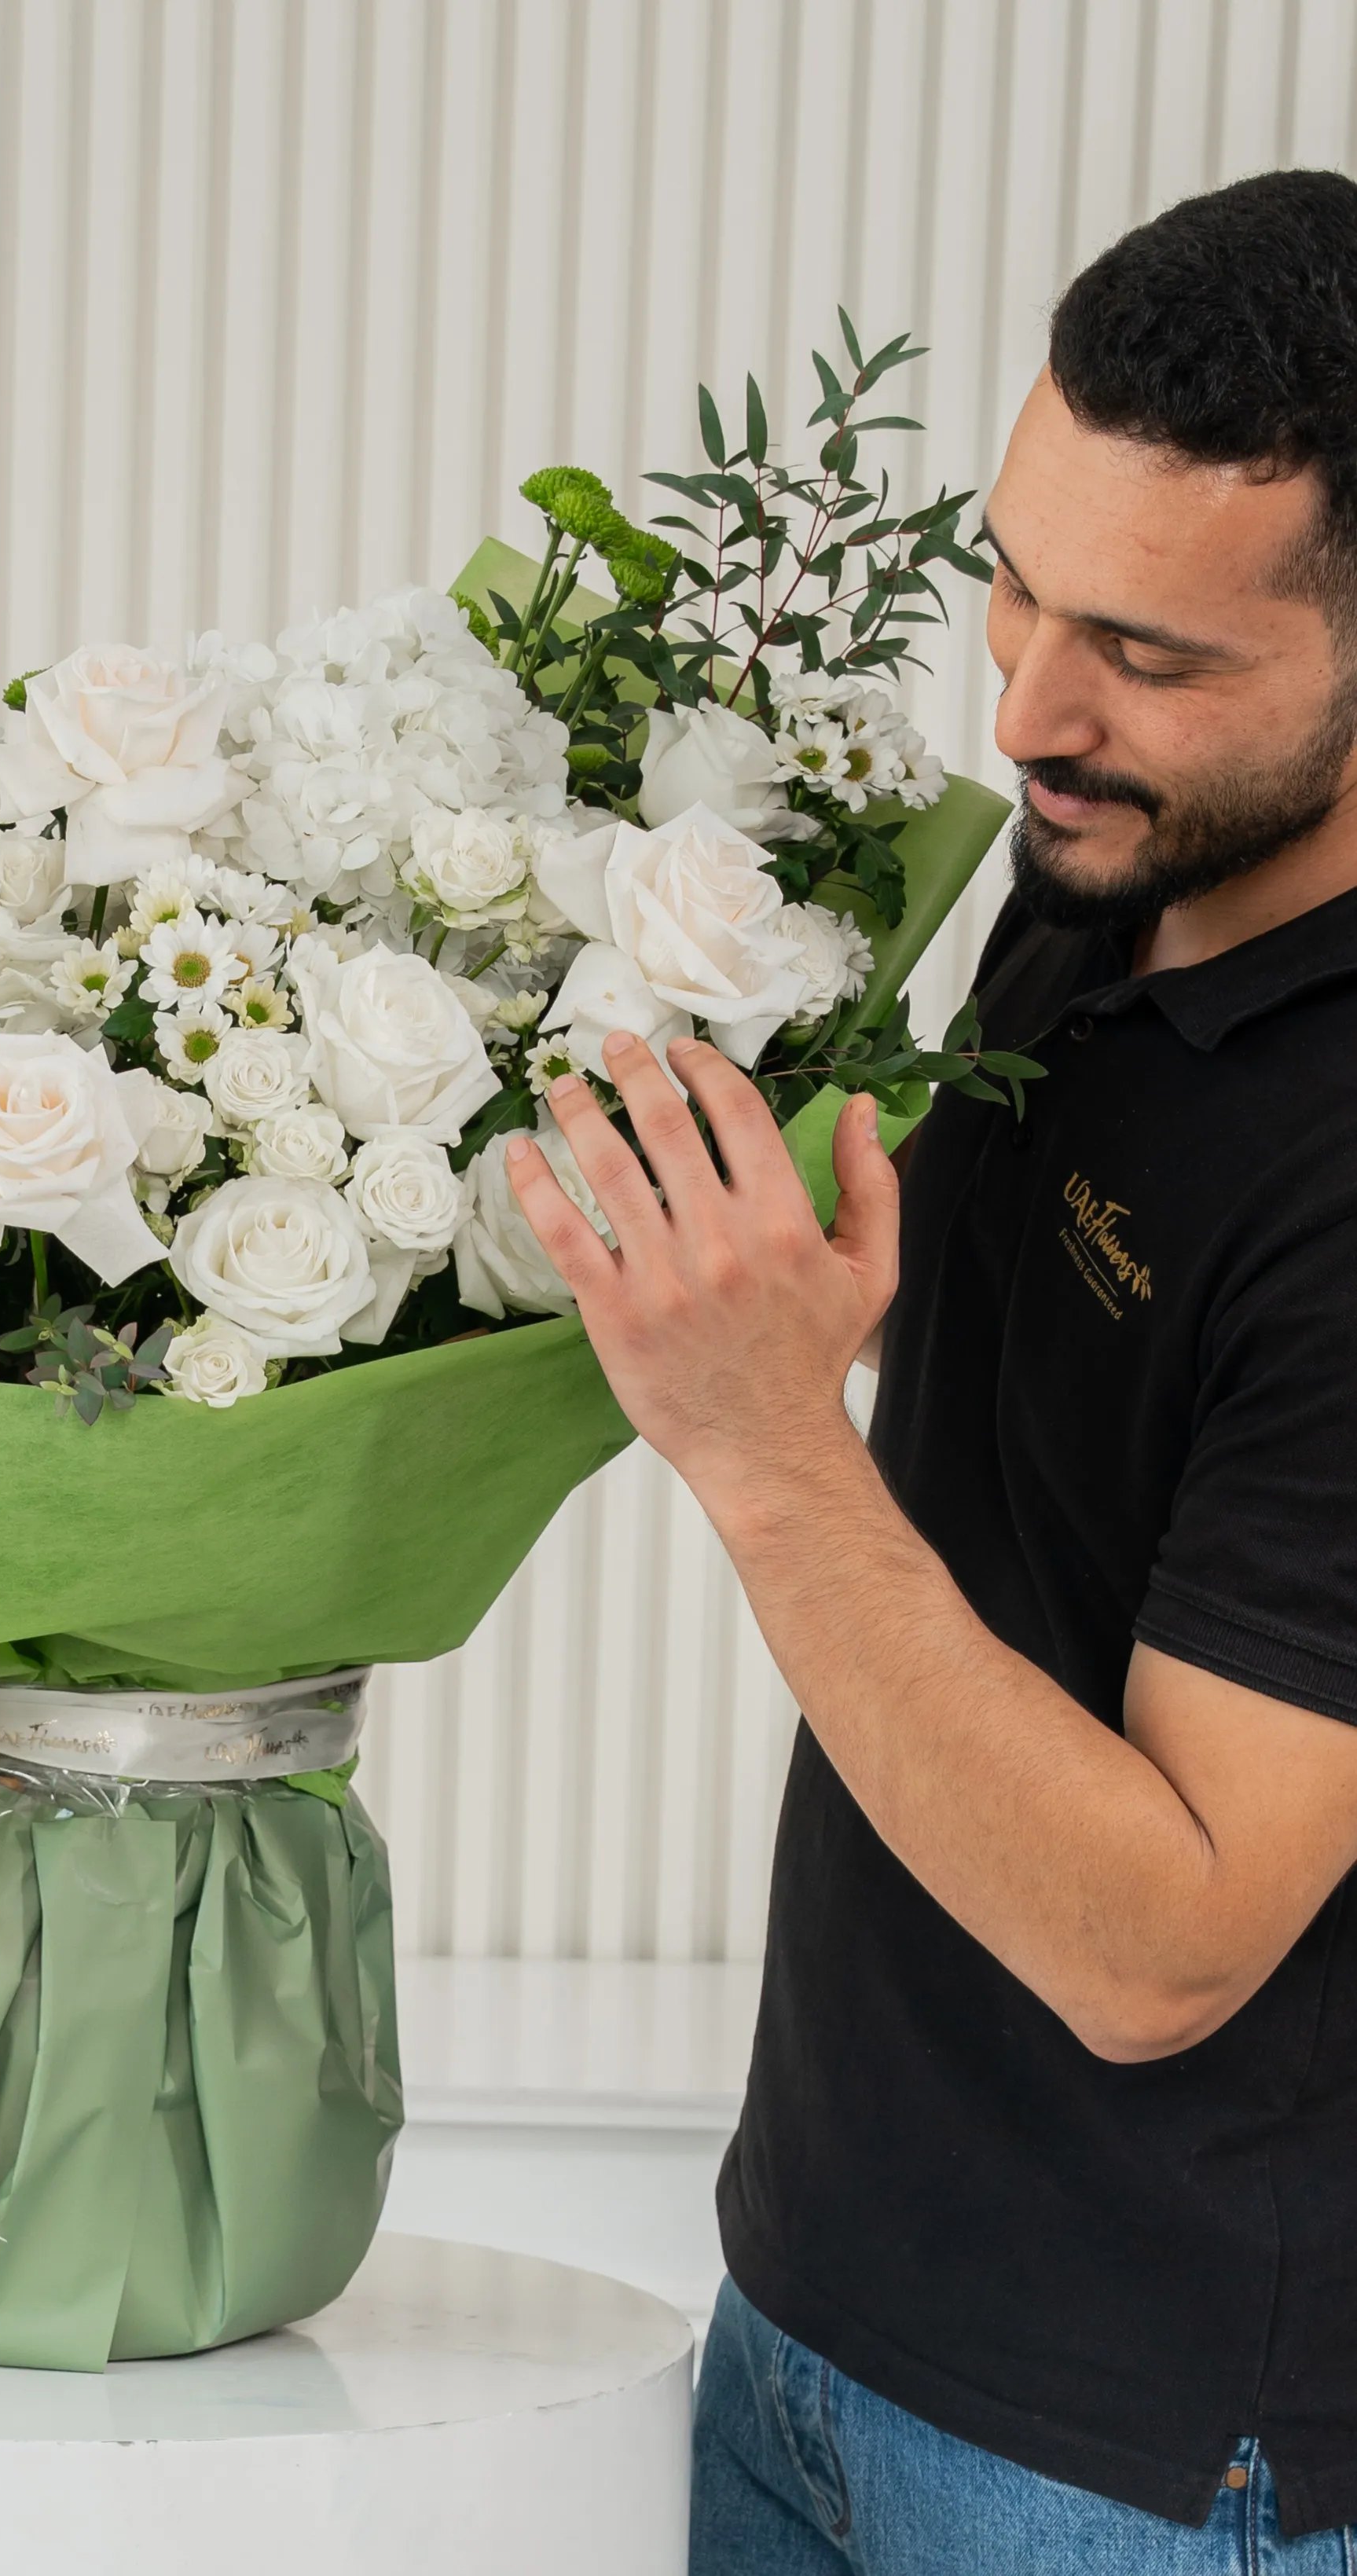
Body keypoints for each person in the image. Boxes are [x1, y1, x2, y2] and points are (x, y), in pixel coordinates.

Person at [512, 169, 1357, 2573]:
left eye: (1145, 655)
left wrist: (763, 1447)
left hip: (1137, 2463)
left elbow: (1161, 1942)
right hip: (815, 2292)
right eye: (1013, 582)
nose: (1024, 713)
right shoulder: (1111, 865)